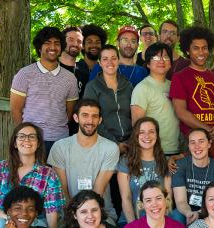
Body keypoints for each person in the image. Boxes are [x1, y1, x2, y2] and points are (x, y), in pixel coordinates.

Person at [48, 99, 120, 222]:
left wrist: (88, 216)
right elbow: (62, 190)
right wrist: (75, 215)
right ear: (76, 118)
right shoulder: (60, 147)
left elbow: (99, 189)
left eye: (94, 116)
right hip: (69, 211)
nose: (90, 121)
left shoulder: (110, 148)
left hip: (100, 212)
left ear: (100, 120)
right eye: (85, 115)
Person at [0, 123, 65, 228]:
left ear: (38, 144)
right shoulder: (0, 169)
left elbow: (52, 212)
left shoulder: (48, 174)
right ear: (15, 143)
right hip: (5, 219)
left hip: (35, 222)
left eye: (32, 137)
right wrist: (10, 218)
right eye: (21, 136)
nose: (27, 140)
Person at [10, 26, 79, 155]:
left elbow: (69, 113)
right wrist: (25, 134)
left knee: (59, 176)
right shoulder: (24, 74)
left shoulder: (70, 79)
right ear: (39, 47)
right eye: (47, 43)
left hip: (60, 140)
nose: (52, 47)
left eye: (57, 43)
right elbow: (15, 109)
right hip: (31, 140)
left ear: (61, 48)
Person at [170, 26, 214, 143]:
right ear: (188, 51)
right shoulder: (179, 77)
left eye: (204, 48)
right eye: (196, 48)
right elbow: (181, 112)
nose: (201, 52)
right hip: (192, 139)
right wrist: (207, 130)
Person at [117, 117, 171, 224]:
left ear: (157, 135)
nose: (147, 136)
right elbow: (126, 198)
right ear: (136, 136)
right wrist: (134, 227)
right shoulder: (126, 161)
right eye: (142, 132)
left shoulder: (165, 161)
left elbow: (168, 198)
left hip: (158, 221)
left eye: (151, 132)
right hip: (130, 221)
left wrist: (160, 224)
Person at [131, 42, 180, 155]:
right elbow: (137, 125)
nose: (161, 61)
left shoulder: (174, 85)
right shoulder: (142, 88)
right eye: (156, 57)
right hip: (154, 152)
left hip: (176, 150)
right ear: (148, 63)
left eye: (166, 57)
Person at [170, 128, 214, 225]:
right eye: (192, 142)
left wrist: (199, 214)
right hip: (186, 209)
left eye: (201, 141)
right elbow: (180, 201)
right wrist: (189, 214)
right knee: (176, 215)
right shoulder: (181, 165)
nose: (197, 146)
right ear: (188, 145)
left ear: (209, 144)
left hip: (211, 210)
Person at [83, 44, 133, 149]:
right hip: (103, 143)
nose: (110, 62)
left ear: (118, 61)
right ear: (100, 63)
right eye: (105, 59)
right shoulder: (92, 87)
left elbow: (134, 115)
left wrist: (131, 141)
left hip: (130, 143)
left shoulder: (128, 85)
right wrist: (115, 144)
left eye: (113, 58)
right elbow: (91, 120)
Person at [59, 26, 89, 100]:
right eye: (71, 40)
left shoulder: (85, 74)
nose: (75, 44)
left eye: (79, 41)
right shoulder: (49, 69)